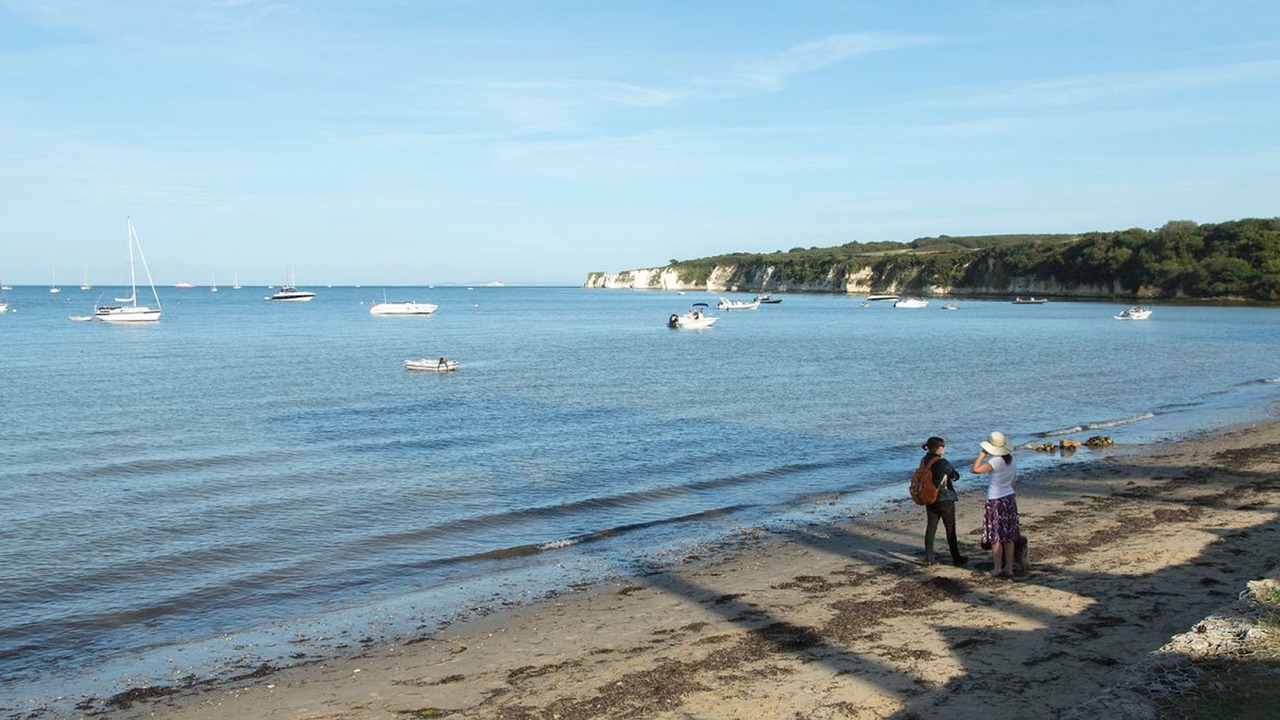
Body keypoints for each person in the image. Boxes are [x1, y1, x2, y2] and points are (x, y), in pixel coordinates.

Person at [971, 431, 1020, 578]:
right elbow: (1014, 479)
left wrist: (982, 454)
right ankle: (1009, 568)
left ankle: (998, 568)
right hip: (1009, 497)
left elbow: (975, 470)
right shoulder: (1011, 459)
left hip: (995, 499)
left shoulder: (995, 461)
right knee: (1009, 535)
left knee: (996, 535)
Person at [921, 437, 967, 566]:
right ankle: (956, 557)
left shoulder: (924, 461)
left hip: (930, 497)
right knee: (950, 527)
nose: (944, 449)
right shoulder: (942, 462)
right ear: (939, 448)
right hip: (945, 498)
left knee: (931, 527)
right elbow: (955, 475)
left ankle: (929, 557)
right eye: (943, 446)